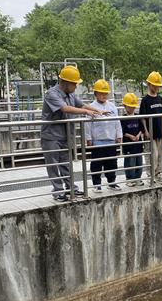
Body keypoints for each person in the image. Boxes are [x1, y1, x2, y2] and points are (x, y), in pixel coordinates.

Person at [40, 66, 110, 201]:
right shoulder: (51, 94)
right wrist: (86, 112)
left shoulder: (70, 94)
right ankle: (58, 191)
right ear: (65, 82)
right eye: (74, 83)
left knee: (66, 163)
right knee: (53, 165)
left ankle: (71, 188)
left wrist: (96, 110)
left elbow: (81, 105)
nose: (76, 86)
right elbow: (65, 108)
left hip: (65, 135)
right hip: (51, 136)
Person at [85, 79, 123, 193]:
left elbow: (117, 122)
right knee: (97, 164)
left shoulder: (112, 106)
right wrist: (88, 138)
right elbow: (87, 124)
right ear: (95, 93)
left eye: (106, 93)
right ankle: (96, 184)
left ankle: (111, 182)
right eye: (101, 93)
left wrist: (119, 135)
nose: (104, 95)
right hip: (98, 140)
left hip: (111, 140)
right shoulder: (91, 107)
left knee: (111, 163)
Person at [139, 71, 162, 178]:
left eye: (158, 85)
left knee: (160, 154)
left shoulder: (160, 99)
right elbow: (143, 117)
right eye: (154, 85)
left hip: (160, 130)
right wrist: (145, 131)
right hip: (150, 132)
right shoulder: (145, 100)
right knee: (152, 154)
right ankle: (151, 174)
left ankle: (159, 172)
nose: (156, 87)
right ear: (149, 84)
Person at [120, 93, 145, 187]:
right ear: (125, 106)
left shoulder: (137, 116)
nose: (132, 108)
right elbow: (122, 131)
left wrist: (138, 135)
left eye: (133, 107)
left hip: (138, 143)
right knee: (130, 161)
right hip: (128, 144)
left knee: (139, 161)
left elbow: (141, 128)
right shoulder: (123, 118)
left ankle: (138, 177)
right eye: (130, 106)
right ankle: (130, 178)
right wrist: (130, 136)